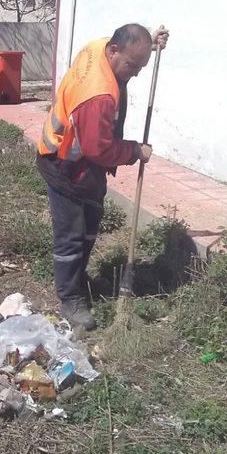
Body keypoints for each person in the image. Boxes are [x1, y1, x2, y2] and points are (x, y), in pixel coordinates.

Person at [36, 23, 170, 330]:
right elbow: (99, 149)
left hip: (84, 164)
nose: (134, 73)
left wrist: (150, 40)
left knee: (90, 228)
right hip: (66, 164)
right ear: (114, 51)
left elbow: (130, 42)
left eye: (140, 66)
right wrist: (135, 151)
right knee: (71, 236)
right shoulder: (98, 95)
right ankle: (70, 298)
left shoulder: (101, 46)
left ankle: (76, 277)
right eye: (131, 66)